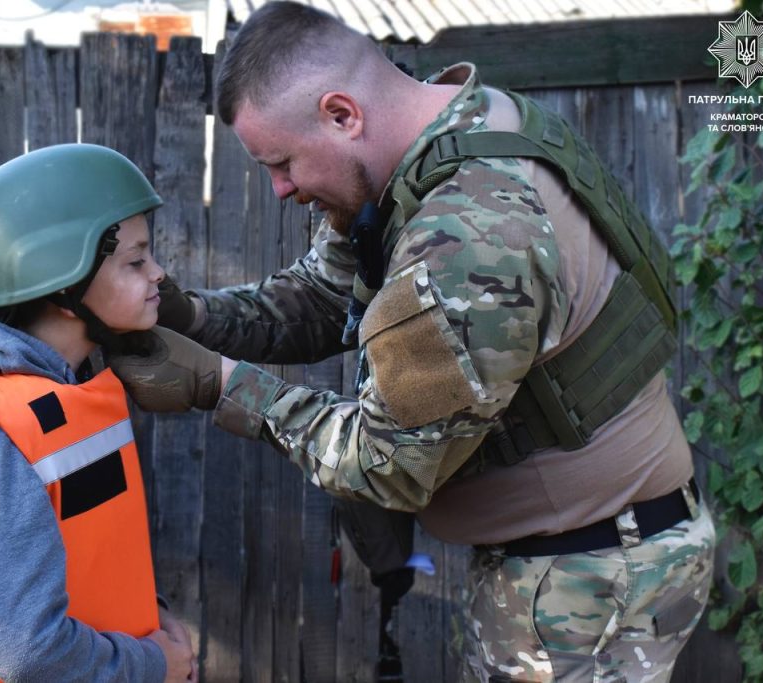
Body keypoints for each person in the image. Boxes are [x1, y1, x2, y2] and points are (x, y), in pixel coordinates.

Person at [106, 3, 716, 681]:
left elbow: (386, 463)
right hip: (588, 549)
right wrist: (193, 315)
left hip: (588, 576)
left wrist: (220, 385)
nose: (279, 189)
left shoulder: (468, 235)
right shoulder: (448, 133)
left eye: (282, 163)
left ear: (342, 114)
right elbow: (319, 297)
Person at [0, 144, 197, 683]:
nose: (158, 274)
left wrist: (153, 617)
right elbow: (31, 654)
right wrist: (154, 664)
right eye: (136, 260)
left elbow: (91, 552)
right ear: (65, 288)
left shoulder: (68, 386)